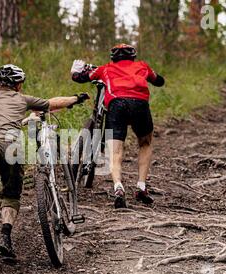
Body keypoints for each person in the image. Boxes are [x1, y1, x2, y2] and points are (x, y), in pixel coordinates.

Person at [0, 64, 89, 272]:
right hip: (13, 148)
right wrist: (76, 98)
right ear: (18, 84)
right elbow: (52, 104)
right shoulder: (21, 99)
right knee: (11, 195)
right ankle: (6, 239)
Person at [71, 44, 165, 208]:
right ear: (133, 56)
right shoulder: (142, 66)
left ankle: (118, 187)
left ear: (112, 57)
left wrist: (75, 71)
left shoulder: (106, 69)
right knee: (145, 143)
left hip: (117, 104)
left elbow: (80, 77)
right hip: (140, 104)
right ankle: (141, 186)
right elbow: (159, 81)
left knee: (115, 150)